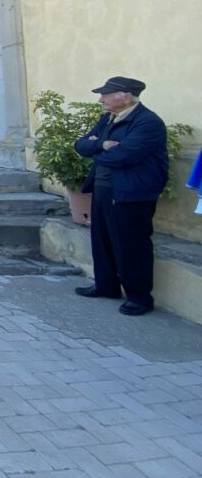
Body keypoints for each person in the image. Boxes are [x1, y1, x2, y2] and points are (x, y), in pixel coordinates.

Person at [74, 76, 168, 316]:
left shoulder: (147, 122)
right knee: (102, 241)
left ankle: (139, 297)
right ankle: (107, 286)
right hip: (104, 188)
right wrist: (102, 145)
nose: (100, 99)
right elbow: (81, 144)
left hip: (131, 193)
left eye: (106, 94)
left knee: (131, 245)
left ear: (126, 96)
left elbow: (124, 155)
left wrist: (98, 148)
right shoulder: (108, 118)